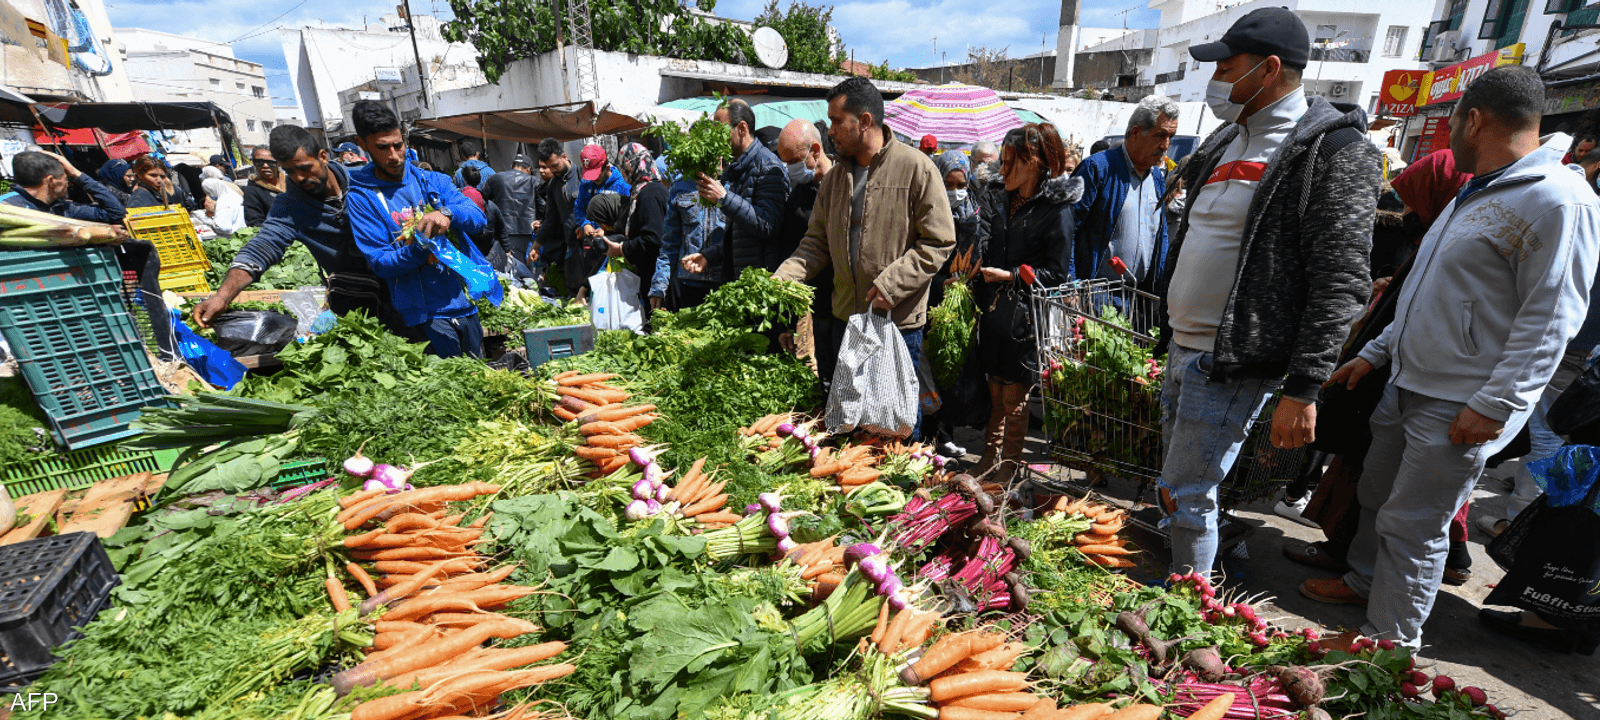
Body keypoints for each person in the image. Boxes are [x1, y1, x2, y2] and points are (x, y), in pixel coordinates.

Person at [1304, 66, 1600, 650]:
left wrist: (1494, 405)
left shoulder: (1557, 202)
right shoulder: (1479, 188)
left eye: (1453, 125)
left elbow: (1552, 320)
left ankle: (1388, 648)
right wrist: (1376, 353)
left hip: (1460, 400)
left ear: (1475, 118)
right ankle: (1365, 583)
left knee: (1415, 525)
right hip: (1409, 379)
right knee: (1378, 496)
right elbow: (1425, 290)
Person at [1155, 6, 1381, 577]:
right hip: (1184, 345)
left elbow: (1341, 279)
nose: (1216, 83)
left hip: (1232, 361)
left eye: (1227, 68)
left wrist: (1304, 387)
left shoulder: (1333, 153)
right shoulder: (1229, 137)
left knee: (1188, 492)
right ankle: (1181, 588)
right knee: (1175, 489)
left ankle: (1186, 603)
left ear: (1270, 69)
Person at [773, 76, 957, 438]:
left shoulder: (917, 169)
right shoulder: (834, 179)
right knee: (852, 424)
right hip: (847, 322)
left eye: (837, 121)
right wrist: (780, 279)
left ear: (866, 121)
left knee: (896, 427)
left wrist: (892, 283)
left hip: (896, 323)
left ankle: (903, 492)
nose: (830, 131)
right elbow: (815, 244)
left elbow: (939, 241)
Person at [195, 125, 407, 335]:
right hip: (355, 299)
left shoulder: (365, 179)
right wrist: (222, 296)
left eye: (305, 168)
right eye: (289, 171)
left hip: (407, 287)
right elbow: (262, 247)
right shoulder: (289, 206)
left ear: (323, 157)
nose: (298, 178)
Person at [971, 124, 1080, 481]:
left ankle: (1010, 470)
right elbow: (986, 238)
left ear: (1032, 163)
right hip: (994, 311)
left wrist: (1012, 275)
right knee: (995, 392)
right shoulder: (1000, 195)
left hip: (1027, 317)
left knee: (1014, 399)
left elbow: (1057, 273)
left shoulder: (1056, 209)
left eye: (1009, 163)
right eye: (1001, 162)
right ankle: (989, 459)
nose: (1002, 171)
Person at [344, 100, 490, 358]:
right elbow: (381, 262)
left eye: (397, 144)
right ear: (362, 144)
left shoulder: (432, 180)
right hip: (419, 318)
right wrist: (424, 246)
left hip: (464, 305)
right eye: (382, 147)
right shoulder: (362, 198)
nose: (393, 156)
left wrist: (447, 213)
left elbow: (477, 218)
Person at [1071, 95, 1178, 290]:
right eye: (1160, 135)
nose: (1166, 145)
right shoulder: (1097, 169)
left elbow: (1160, 236)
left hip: (1138, 300)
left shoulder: (1156, 178)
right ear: (1136, 133)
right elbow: (1067, 230)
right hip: (1094, 295)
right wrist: (1071, 285)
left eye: (1171, 137)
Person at [774, 119, 839, 383]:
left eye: (794, 161)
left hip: (851, 303)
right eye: (785, 162)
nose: (790, 169)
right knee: (825, 376)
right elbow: (793, 253)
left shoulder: (845, 183)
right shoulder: (798, 196)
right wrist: (786, 322)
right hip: (819, 306)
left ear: (815, 150)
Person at [926, 148, 981, 457]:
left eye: (961, 185)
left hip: (961, 303)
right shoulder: (927, 212)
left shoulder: (974, 212)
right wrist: (939, 283)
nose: (956, 192)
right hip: (933, 301)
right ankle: (933, 433)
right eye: (949, 184)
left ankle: (949, 431)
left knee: (953, 370)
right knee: (931, 370)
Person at [701, 98, 789, 277]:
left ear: (742, 129)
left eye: (720, 132)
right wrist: (707, 257)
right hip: (741, 281)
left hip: (760, 283)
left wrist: (725, 199)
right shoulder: (737, 168)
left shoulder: (768, 166)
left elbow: (767, 225)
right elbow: (741, 238)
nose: (716, 139)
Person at [600, 142, 668, 312]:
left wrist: (622, 249)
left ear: (632, 166)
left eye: (623, 168)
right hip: (653, 274)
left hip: (655, 276)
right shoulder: (647, 190)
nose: (622, 173)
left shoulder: (649, 193)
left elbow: (653, 239)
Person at [653, 164, 728, 310]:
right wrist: (659, 285)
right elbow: (669, 243)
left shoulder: (732, 184)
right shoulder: (680, 186)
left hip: (725, 282)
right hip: (688, 284)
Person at [572, 144, 632, 297]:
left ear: (606, 166)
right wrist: (584, 223)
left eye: (597, 175)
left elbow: (627, 219)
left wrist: (607, 230)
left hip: (615, 246)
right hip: (590, 244)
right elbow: (579, 207)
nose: (594, 180)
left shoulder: (622, 186)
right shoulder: (586, 184)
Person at [3, 150, 127, 223]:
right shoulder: (5, 207)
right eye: (66, 178)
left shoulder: (63, 208)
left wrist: (78, 174)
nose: (68, 184)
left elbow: (116, 213)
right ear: (51, 181)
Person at [532, 138, 578, 297]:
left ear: (564, 157)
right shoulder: (553, 186)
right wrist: (536, 245)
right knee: (574, 292)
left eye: (555, 165)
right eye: (548, 166)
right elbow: (550, 219)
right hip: (571, 250)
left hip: (590, 247)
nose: (553, 170)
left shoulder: (582, 177)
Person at [481, 154, 541, 273]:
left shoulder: (496, 178)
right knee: (532, 271)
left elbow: (482, 201)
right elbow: (542, 205)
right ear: (528, 169)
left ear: (512, 166)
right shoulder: (534, 181)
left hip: (505, 233)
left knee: (512, 272)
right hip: (529, 232)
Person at [460, 165, 507, 272]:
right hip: (489, 251)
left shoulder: (460, 199)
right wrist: (507, 249)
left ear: (465, 180)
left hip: (470, 254)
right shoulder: (490, 204)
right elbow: (501, 228)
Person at [243, 146, 286, 227]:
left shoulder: (292, 183)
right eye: (259, 162)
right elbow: (255, 223)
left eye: (271, 162)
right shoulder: (252, 190)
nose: (265, 166)